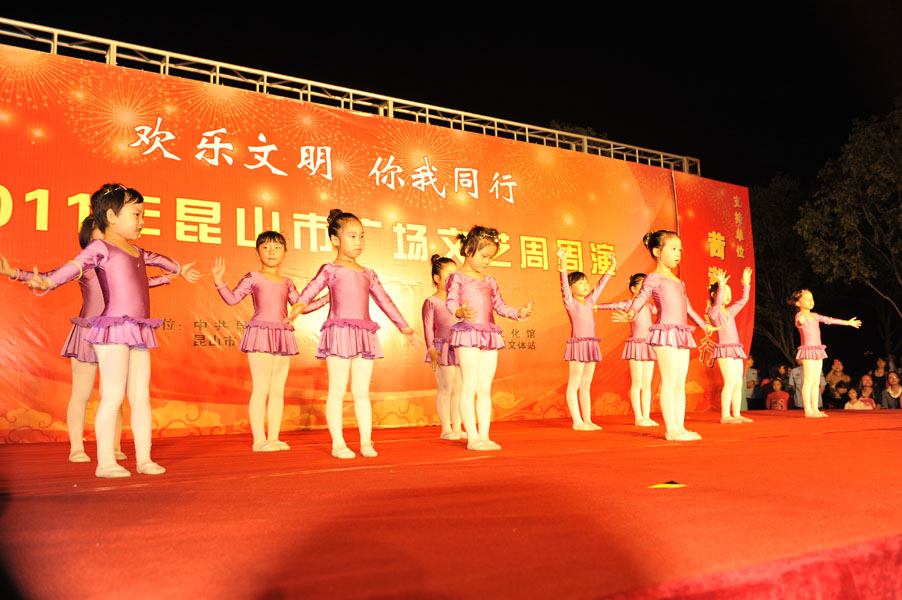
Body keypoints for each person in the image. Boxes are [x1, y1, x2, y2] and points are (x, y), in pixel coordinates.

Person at [21, 183, 199, 477]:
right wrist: (48, 282)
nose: (142, 221)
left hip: (138, 328)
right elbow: (75, 267)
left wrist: (179, 269)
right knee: (113, 395)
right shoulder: (100, 248)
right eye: (136, 214)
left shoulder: (136, 251)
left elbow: (161, 260)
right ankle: (105, 463)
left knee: (140, 396)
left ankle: (144, 459)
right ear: (112, 216)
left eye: (143, 215)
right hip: (113, 328)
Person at [2, 216, 175, 462]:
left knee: (113, 393)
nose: (106, 235)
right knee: (81, 393)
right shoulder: (84, 264)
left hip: (116, 332)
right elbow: (50, 276)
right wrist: (13, 272)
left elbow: (140, 283)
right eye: (100, 231)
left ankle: (113, 447)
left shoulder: (121, 259)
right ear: (89, 239)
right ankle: (76, 447)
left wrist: (165, 279)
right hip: (87, 333)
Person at [289, 209, 416, 459]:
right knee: (337, 390)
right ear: (335, 240)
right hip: (338, 331)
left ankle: (366, 441)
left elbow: (385, 301)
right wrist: (298, 307)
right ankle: (338, 444)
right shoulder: (330, 269)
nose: (359, 242)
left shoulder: (368, 273)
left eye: (362, 236)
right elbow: (311, 289)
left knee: (361, 391)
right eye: (352, 236)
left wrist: (404, 326)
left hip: (364, 333)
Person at [212, 231, 327, 452]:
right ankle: (259, 440)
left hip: (282, 335)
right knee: (261, 388)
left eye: (277, 247)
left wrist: (327, 299)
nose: (271, 251)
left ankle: (273, 438)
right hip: (260, 334)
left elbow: (300, 307)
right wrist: (219, 282)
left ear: (285, 253)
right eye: (265, 247)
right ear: (257, 252)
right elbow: (232, 299)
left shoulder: (287, 282)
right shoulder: (253, 278)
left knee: (277, 390)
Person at [445, 226, 534, 451]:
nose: (487, 261)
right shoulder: (457, 278)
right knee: (469, 386)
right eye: (484, 256)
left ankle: (484, 435)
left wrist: (518, 312)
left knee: (484, 388)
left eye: (490, 258)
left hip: (489, 335)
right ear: (468, 250)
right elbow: (451, 302)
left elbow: (500, 306)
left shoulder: (490, 281)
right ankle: (472, 438)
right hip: (467, 333)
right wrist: (460, 312)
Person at [625, 230, 711, 441]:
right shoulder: (654, 278)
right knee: (669, 381)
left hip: (681, 333)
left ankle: (680, 427)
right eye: (673, 249)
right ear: (657, 252)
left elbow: (687, 307)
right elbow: (642, 296)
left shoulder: (679, 282)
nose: (678, 253)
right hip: (664, 332)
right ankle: (671, 429)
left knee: (680, 383)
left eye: (679, 249)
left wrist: (703, 324)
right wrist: (633, 310)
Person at [556, 246, 615, 430]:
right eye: (580, 283)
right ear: (571, 287)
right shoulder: (570, 302)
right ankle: (577, 421)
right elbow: (563, 285)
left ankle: (587, 420)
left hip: (591, 345)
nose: (585, 285)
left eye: (586, 282)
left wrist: (611, 267)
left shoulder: (590, 301)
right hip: (578, 345)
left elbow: (600, 285)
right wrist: (563, 262)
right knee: (574, 383)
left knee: (586, 384)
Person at [597, 273, 659, 426]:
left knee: (647, 383)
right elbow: (613, 305)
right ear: (633, 288)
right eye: (642, 286)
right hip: (636, 346)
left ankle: (646, 416)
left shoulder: (650, 307)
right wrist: (596, 306)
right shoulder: (629, 304)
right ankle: (638, 417)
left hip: (648, 346)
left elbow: (663, 310)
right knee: (637, 382)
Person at [791, 289, 861, 417]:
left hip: (818, 350)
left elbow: (830, 320)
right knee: (808, 381)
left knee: (816, 381)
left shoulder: (815, 315)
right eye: (806, 299)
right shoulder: (800, 315)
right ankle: (808, 411)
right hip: (808, 350)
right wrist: (800, 322)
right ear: (798, 303)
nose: (810, 301)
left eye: (812, 298)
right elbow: (798, 323)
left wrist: (848, 323)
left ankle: (815, 409)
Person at [422, 254, 464, 440]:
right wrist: (431, 348)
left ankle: (458, 427)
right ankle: (446, 429)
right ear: (437, 278)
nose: (453, 280)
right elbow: (428, 327)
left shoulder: (459, 302)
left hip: (459, 347)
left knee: (459, 389)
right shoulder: (431, 302)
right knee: (446, 387)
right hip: (441, 348)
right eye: (448, 276)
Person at [707, 267, 753, 423]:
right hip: (724, 350)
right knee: (730, 382)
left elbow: (743, 301)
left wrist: (746, 284)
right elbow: (717, 304)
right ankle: (725, 415)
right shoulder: (713, 311)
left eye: (729, 293)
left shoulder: (730, 311)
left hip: (735, 348)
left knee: (738, 382)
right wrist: (721, 285)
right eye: (724, 293)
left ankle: (737, 414)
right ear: (714, 294)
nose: (728, 296)